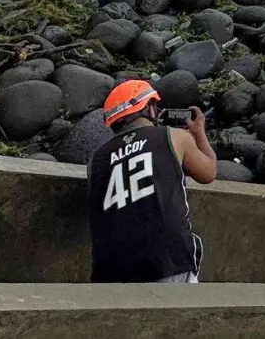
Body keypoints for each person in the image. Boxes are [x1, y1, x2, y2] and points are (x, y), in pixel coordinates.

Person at [86, 80, 217, 283]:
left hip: (110, 271)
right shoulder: (174, 137)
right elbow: (209, 173)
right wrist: (199, 134)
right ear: (149, 108)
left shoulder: (97, 158)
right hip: (167, 260)